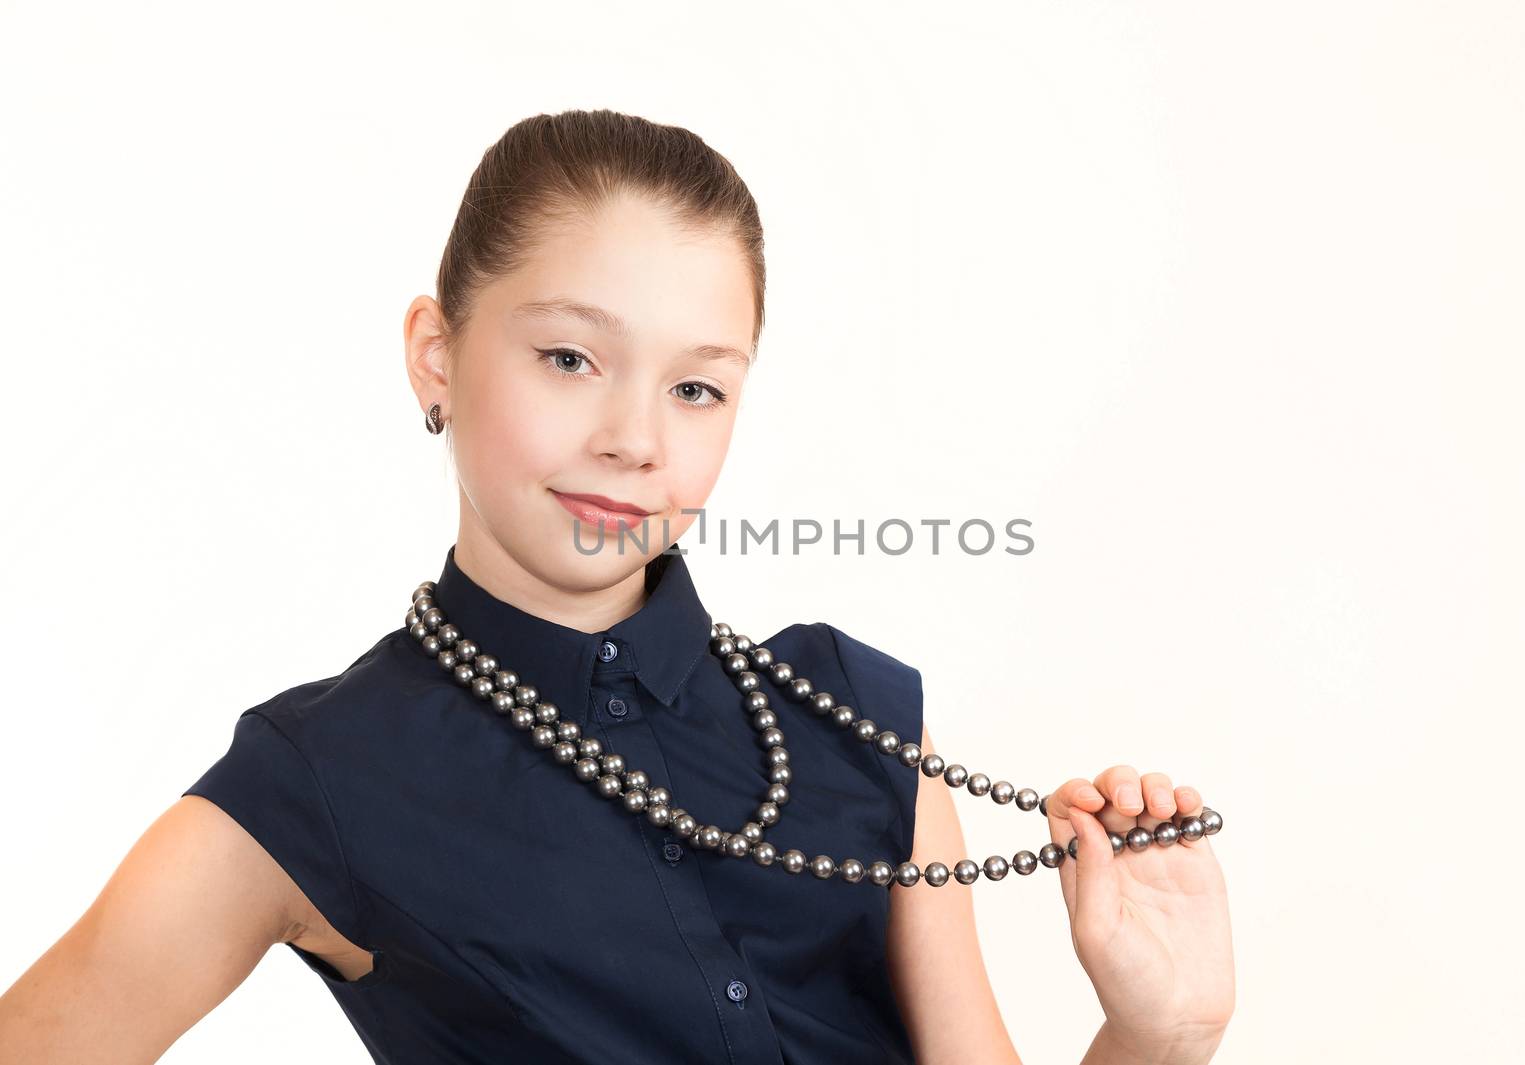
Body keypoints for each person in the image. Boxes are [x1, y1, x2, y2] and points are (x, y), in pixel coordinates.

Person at [0, 109, 1234, 1064]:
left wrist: (1158, 1034)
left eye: (696, 386)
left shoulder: (853, 724)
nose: (634, 439)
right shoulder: (314, 785)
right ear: (438, 354)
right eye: (571, 357)